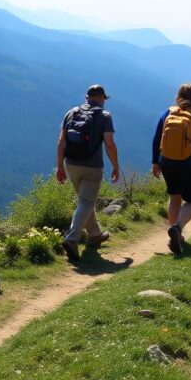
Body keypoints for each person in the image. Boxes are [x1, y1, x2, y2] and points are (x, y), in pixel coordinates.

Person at [56, 84, 120, 261]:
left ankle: (95, 234)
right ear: (101, 98)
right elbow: (109, 144)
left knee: (86, 200)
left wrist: (59, 166)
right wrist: (116, 166)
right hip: (92, 166)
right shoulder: (104, 116)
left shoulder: (72, 112)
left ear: (87, 97)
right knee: (86, 202)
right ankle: (72, 238)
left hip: (71, 164)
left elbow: (61, 141)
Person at [151, 83, 191, 254]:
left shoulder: (168, 113)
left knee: (175, 197)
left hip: (167, 162)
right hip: (190, 164)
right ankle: (177, 227)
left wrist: (155, 162)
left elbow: (157, 139)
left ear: (178, 96)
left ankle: (177, 237)